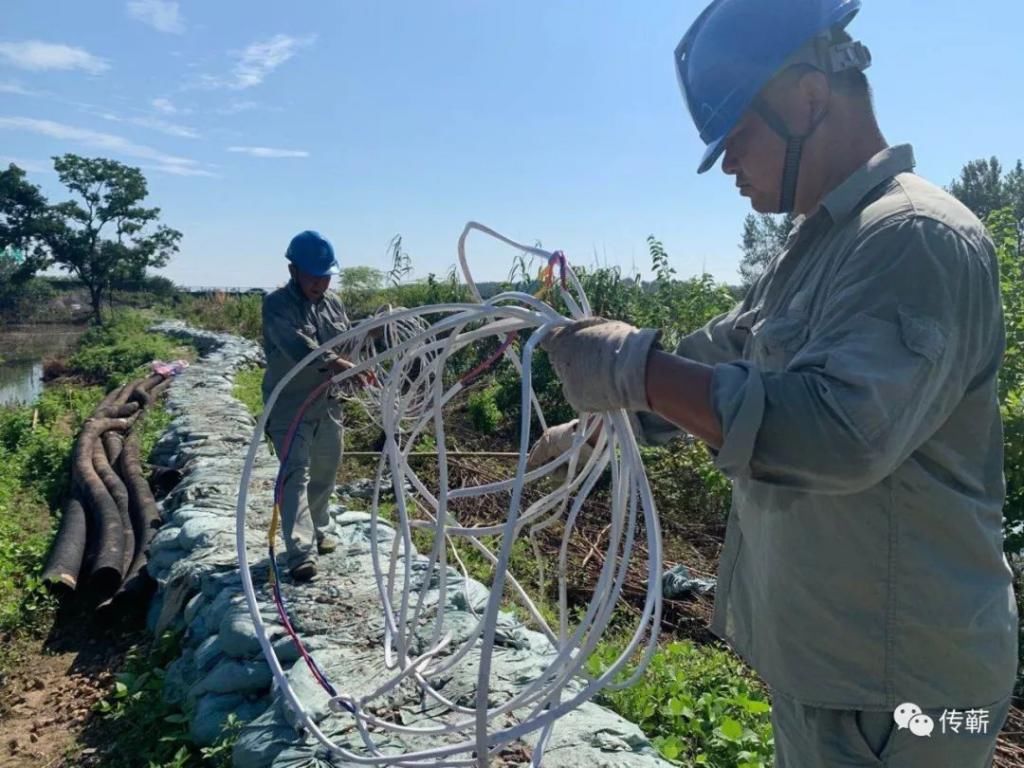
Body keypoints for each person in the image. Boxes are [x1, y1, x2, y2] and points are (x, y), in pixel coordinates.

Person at [529, 0, 1019, 765]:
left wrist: (638, 368)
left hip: (903, 695)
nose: (728, 163)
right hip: (839, 671)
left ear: (808, 97)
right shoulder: (819, 248)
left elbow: (837, 437)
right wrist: (602, 423)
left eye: (737, 135)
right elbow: (725, 356)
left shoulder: (914, 238)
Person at [262, 230, 359, 582]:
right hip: (290, 406)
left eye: (326, 275)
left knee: (325, 470)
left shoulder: (333, 304)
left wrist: (375, 335)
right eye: (313, 275)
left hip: (327, 403)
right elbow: (298, 347)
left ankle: (318, 529)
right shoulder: (277, 305)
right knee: (295, 474)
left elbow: (347, 341)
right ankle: (300, 553)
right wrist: (337, 363)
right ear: (293, 271)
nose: (321, 283)